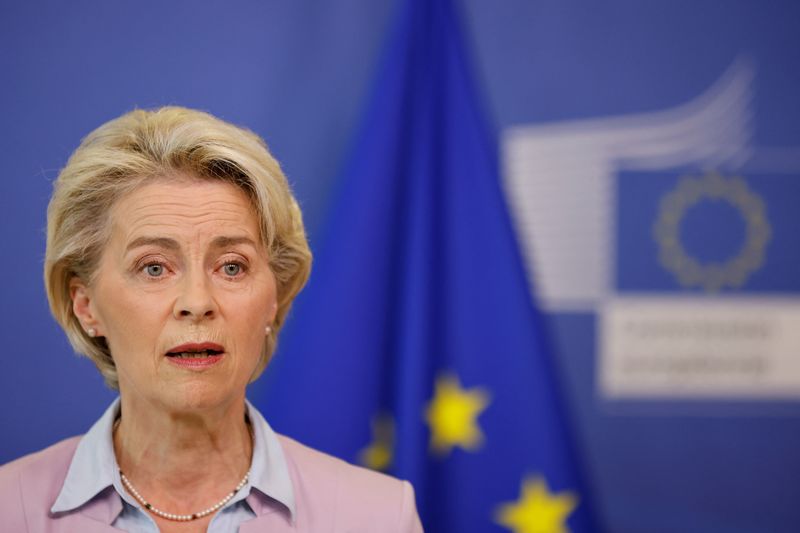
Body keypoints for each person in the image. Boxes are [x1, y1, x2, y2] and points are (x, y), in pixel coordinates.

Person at [0, 107, 423, 532]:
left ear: (274, 296)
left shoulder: (379, 516)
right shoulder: (9, 509)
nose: (197, 302)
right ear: (86, 305)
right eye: (154, 267)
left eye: (232, 266)